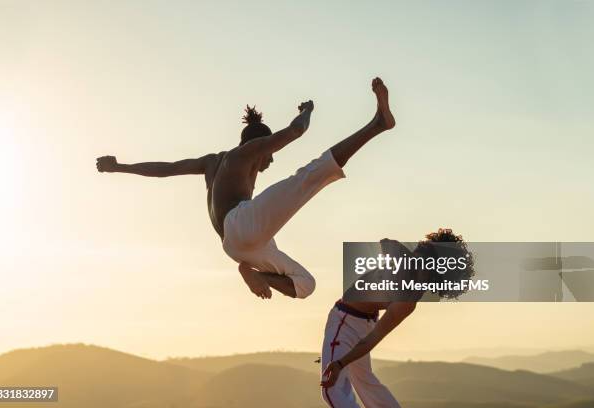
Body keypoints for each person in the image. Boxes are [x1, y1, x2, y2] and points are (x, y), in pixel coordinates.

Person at [97, 77, 395, 300]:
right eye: (269, 154)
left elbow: (166, 169)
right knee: (308, 177)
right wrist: (309, 110)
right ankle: (377, 125)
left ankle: (249, 272)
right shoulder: (249, 151)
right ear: (257, 145)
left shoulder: (212, 161)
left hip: (236, 245)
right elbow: (296, 131)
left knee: (306, 284)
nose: (270, 160)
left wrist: (120, 166)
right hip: (242, 226)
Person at [320, 229, 474, 408]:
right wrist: (406, 259)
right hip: (361, 320)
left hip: (344, 320)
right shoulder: (405, 264)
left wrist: (339, 363)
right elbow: (386, 242)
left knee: (331, 390)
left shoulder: (407, 301)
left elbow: (372, 339)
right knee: (367, 382)